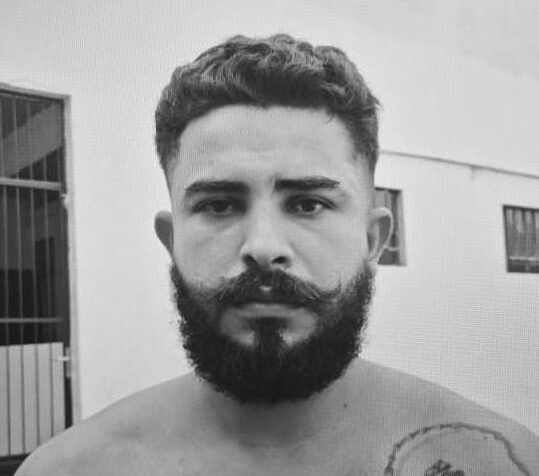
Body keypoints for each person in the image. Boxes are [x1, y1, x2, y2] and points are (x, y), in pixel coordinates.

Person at [17, 34, 539, 476]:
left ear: (374, 239)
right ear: (171, 241)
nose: (263, 247)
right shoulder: (70, 469)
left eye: (308, 203)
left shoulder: (502, 462)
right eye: (219, 205)